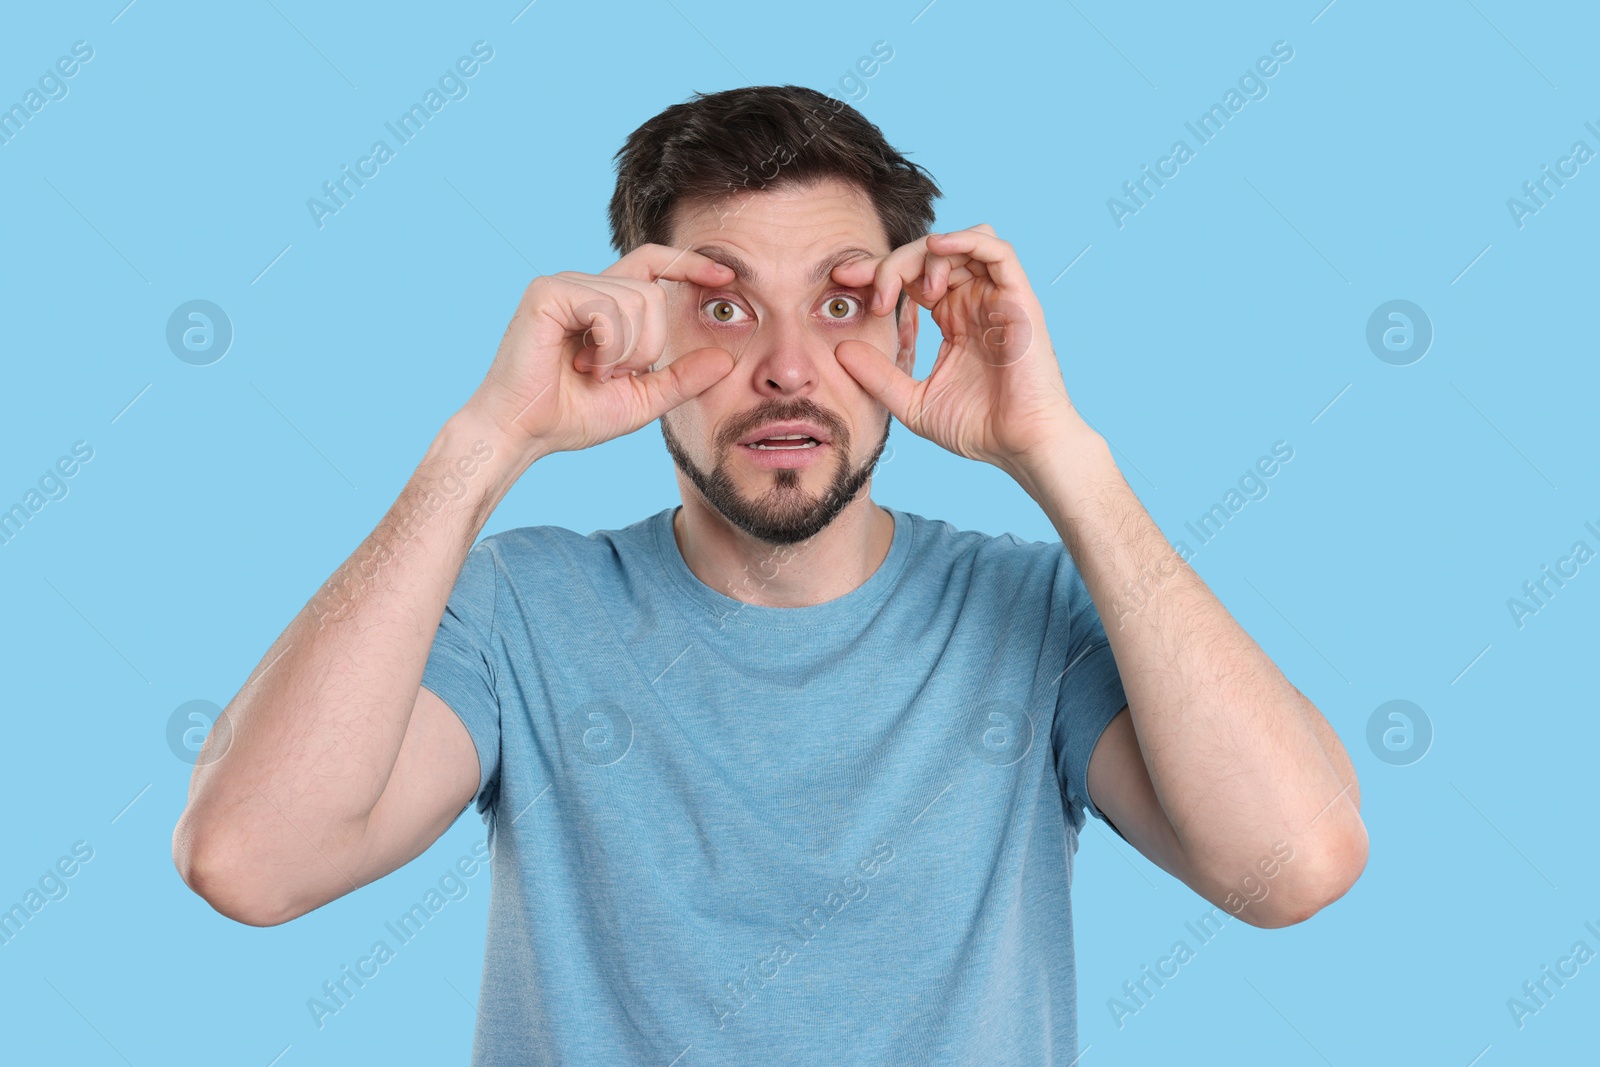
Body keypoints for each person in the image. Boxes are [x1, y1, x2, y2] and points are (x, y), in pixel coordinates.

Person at [172, 84, 1367, 1064]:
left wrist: (1064, 461)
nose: (790, 367)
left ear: (908, 332)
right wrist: (487, 443)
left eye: (843, 301)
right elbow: (249, 862)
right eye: (727, 306)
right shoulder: (521, 609)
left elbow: (1294, 865)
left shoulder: (1033, 612)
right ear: (640, 321)